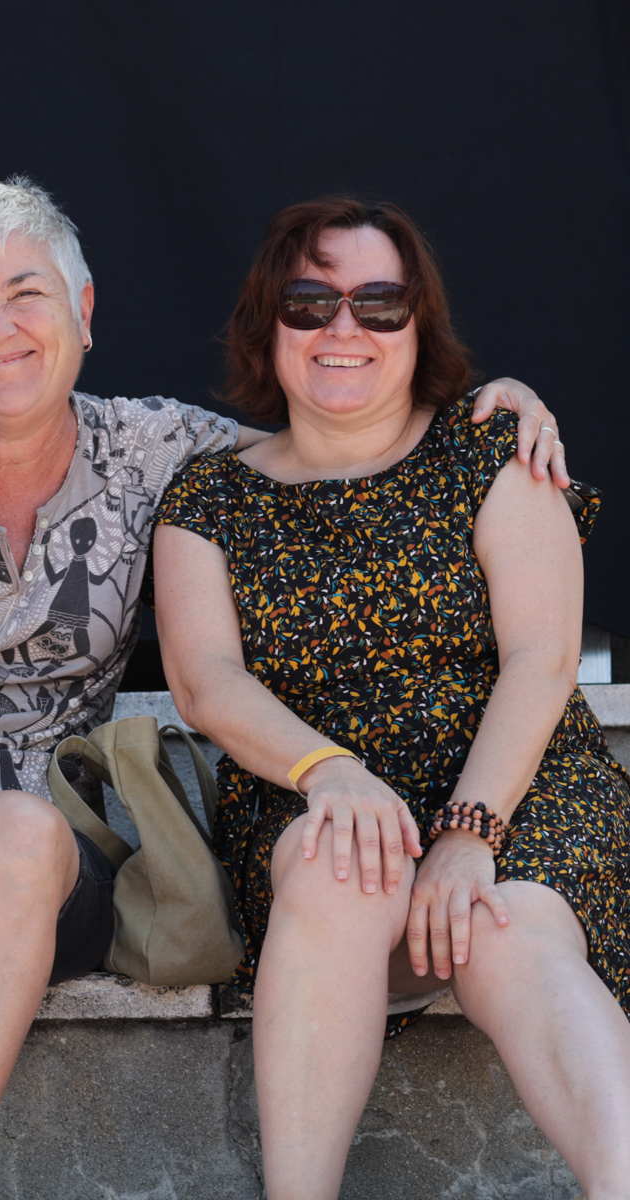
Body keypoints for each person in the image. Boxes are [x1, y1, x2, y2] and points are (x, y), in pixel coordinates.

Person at [0, 177, 569, 1200]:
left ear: (83, 310)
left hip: (12, 849)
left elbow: (339, 430)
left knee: (16, 838)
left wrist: (494, 407)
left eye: (26, 294)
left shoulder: (157, 450)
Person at [153, 198, 630, 1196]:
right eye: (309, 301)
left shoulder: (493, 451)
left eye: (379, 303)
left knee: (506, 930)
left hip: (514, 783)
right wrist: (329, 772)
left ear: (419, 326)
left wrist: (468, 831)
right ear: (266, 323)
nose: (345, 327)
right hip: (310, 794)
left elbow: (542, 658)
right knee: (340, 863)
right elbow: (205, 682)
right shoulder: (208, 497)